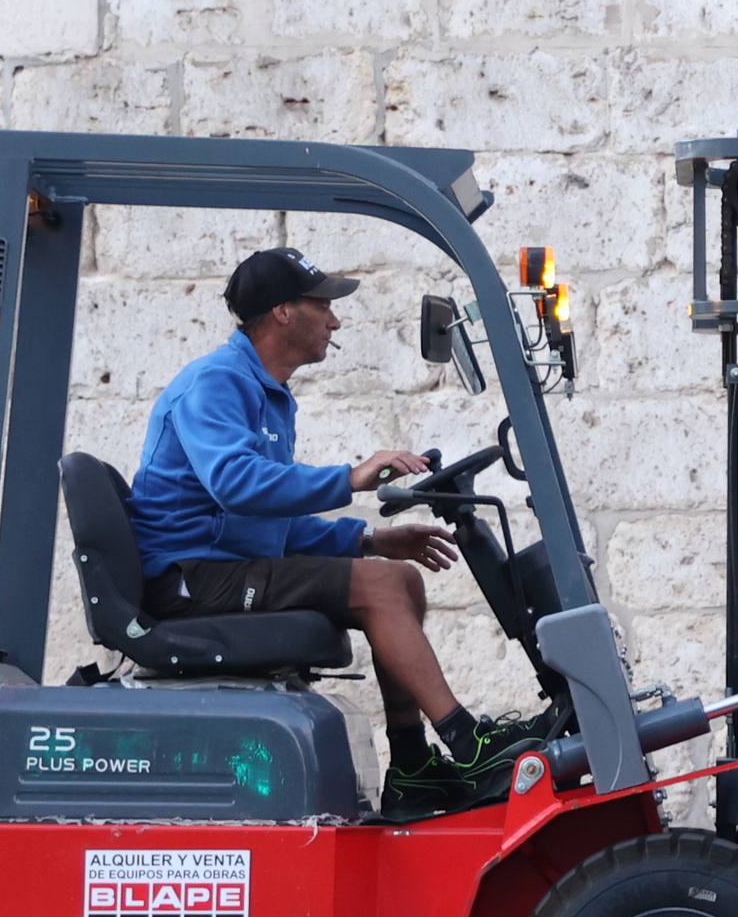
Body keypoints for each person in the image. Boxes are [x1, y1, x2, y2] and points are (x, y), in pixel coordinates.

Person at [125, 247, 546, 810]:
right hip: (191, 578)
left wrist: (368, 539)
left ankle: (413, 763)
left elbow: (266, 520)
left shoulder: (269, 396)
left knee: (400, 579)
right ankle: (466, 743)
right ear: (282, 312)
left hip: (226, 565)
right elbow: (236, 484)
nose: (335, 319)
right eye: (322, 305)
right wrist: (351, 477)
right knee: (376, 588)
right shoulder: (216, 384)